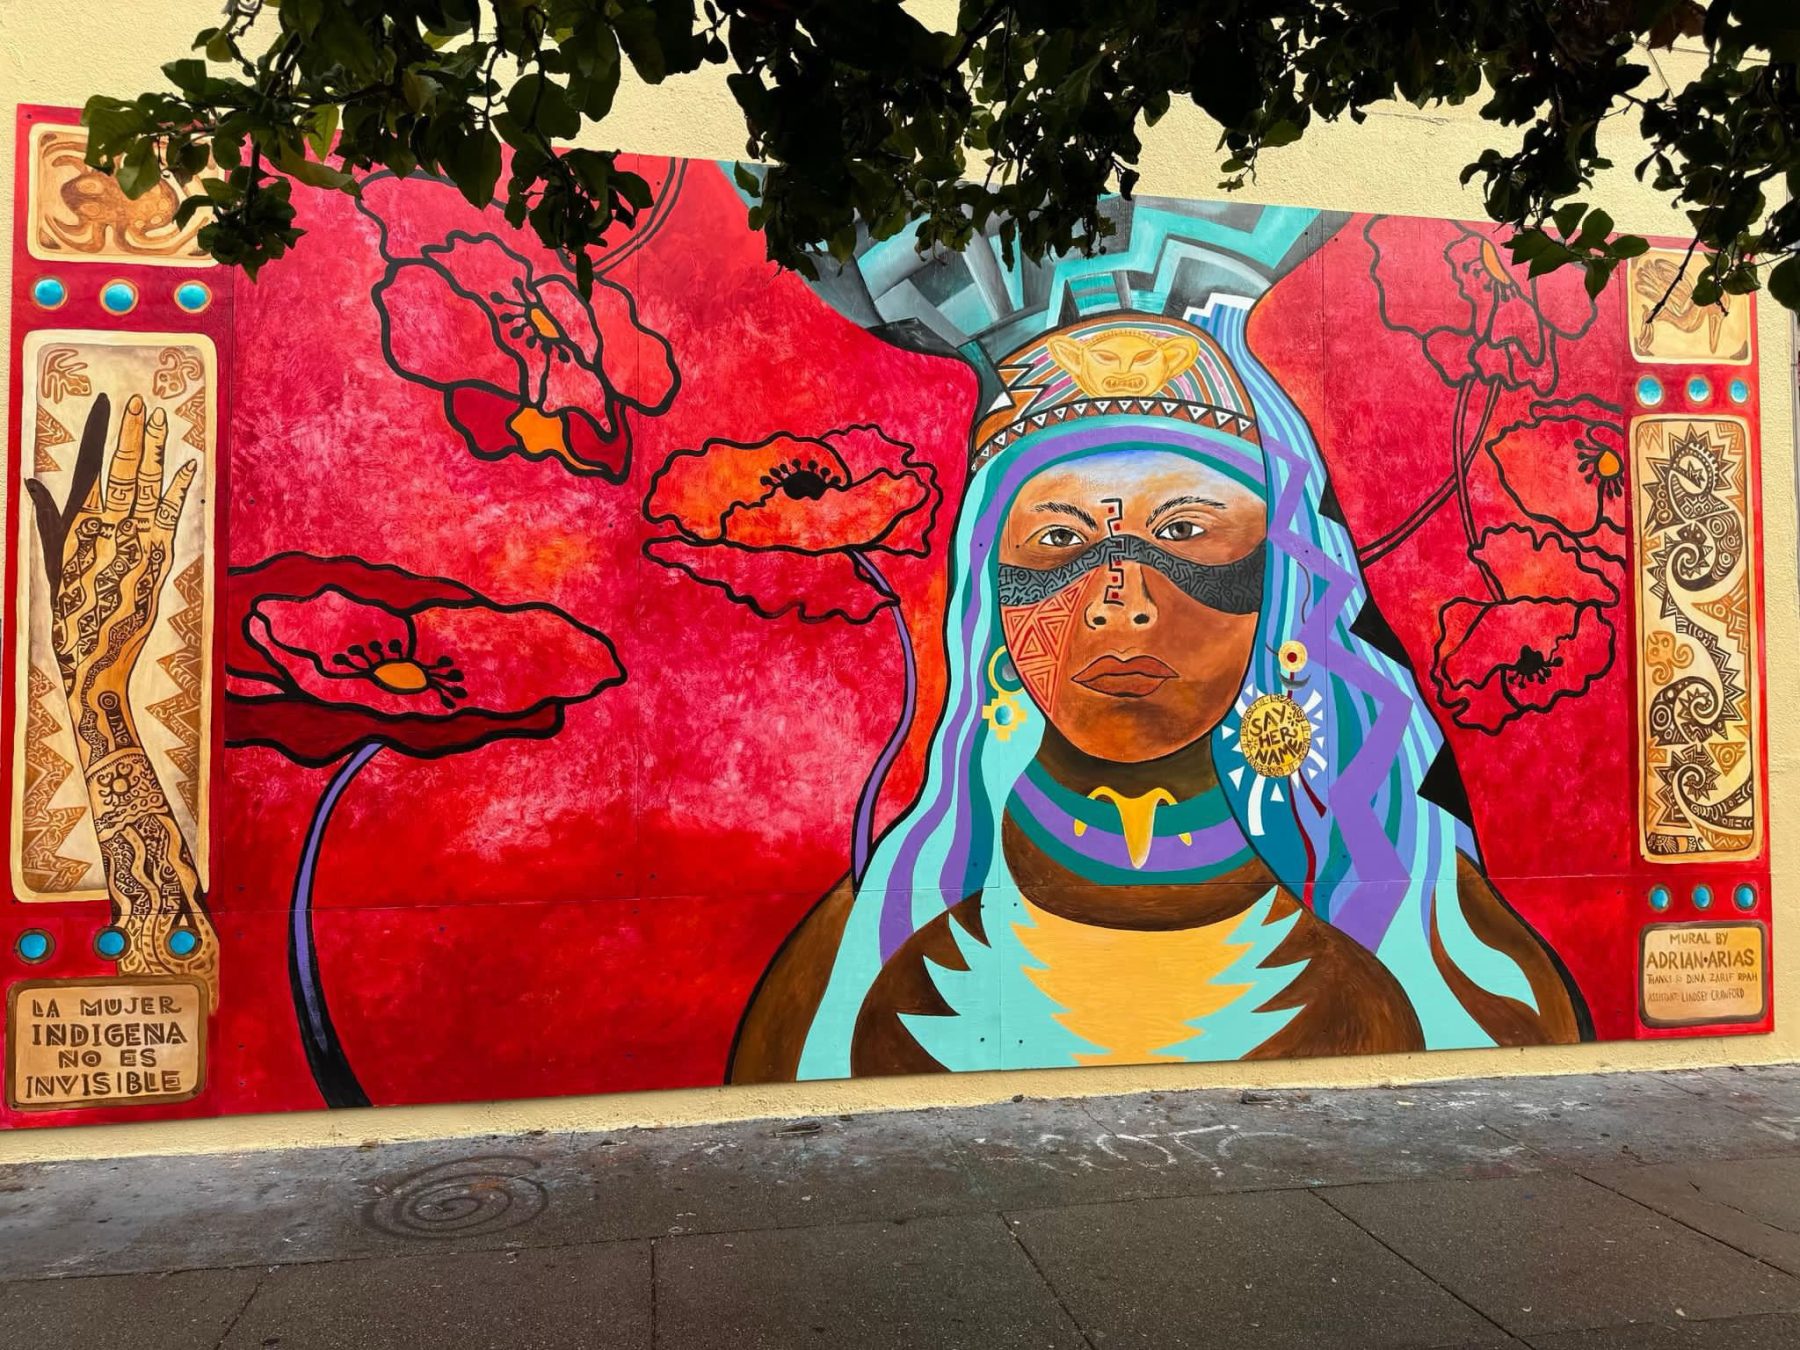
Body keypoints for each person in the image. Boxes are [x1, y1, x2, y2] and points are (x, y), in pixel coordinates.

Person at [731, 305, 1585, 1082]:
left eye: (1182, 529)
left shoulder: (1435, 937)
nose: (1122, 600)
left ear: (1280, 582)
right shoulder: (865, 950)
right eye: (1058, 538)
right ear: (992, 596)